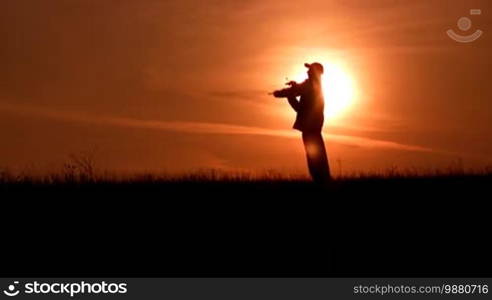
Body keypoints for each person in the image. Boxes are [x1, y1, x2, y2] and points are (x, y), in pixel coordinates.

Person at [272, 62, 330, 183]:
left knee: (314, 157)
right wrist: (293, 88)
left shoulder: (310, 85)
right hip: (314, 127)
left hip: (310, 127)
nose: (307, 72)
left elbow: (299, 105)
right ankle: (323, 180)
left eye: (310, 70)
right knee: (317, 156)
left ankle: (321, 181)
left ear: (315, 72)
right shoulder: (315, 85)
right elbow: (300, 91)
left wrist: (285, 94)